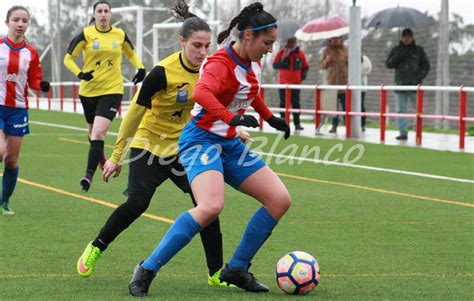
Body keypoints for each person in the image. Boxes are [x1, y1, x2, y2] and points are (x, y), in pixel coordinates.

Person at [127, 2, 291, 297]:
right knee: (211, 207)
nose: (270, 49)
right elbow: (201, 92)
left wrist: (270, 118)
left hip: (228, 143)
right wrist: (231, 118)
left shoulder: (253, 59)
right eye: (267, 43)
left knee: (279, 200)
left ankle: (236, 268)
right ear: (249, 35)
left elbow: (248, 91)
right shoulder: (219, 62)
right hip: (199, 141)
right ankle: (147, 268)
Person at [76, 0, 233, 287]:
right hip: (149, 146)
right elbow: (133, 115)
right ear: (182, 41)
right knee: (137, 203)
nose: (203, 52)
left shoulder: (209, 69)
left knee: (207, 205)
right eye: (197, 45)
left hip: (185, 148)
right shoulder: (162, 72)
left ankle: (215, 274)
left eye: (207, 45)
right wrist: (116, 156)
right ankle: (97, 246)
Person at [64, 1, 146, 192]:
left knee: (98, 133)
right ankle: (101, 159)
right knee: (92, 135)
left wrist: (140, 68)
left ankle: (88, 176)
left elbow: (131, 53)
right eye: (99, 11)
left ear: (110, 15)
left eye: (106, 11)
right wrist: (80, 74)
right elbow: (68, 58)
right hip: (88, 91)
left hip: (112, 90)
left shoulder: (120, 34)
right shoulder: (86, 34)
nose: (103, 14)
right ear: (94, 15)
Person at [0, 6, 50, 215]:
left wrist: (42, 85)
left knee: (11, 160)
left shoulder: (31, 52)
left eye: (24, 21)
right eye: (16, 20)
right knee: (0, 151)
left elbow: (34, 78)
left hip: (18, 110)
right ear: (7, 22)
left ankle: (4, 202)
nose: (20, 24)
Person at [385, 28, 430, 140]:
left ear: (412, 37)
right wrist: (398, 55)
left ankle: (417, 129)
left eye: (409, 36)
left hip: (415, 85)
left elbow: (426, 66)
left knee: (418, 109)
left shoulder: (419, 50)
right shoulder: (396, 50)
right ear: (401, 37)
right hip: (401, 84)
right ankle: (403, 132)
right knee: (401, 110)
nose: (407, 39)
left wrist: (418, 77)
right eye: (405, 36)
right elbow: (389, 64)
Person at [272, 37, 309, 130]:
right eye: (289, 42)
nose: (290, 44)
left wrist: (301, 77)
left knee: (296, 103)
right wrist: (284, 57)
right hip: (283, 83)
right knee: (283, 104)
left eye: (292, 42)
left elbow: (305, 66)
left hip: (295, 83)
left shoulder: (300, 54)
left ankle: (297, 124)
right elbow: (275, 65)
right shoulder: (281, 53)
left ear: (295, 43)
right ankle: (282, 124)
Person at [319, 36, 348, 133]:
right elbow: (321, 65)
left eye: (338, 38)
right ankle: (334, 125)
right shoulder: (327, 51)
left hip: (344, 82)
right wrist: (326, 60)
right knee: (333, 107)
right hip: (332, 82)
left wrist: (347, 60)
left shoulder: (345, 50)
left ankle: (347, 125)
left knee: (345, 106)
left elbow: (352, 64)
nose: (336, 40)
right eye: (333, 39)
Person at [361, 54, 372, 131]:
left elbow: (367, 69)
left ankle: (362, 124)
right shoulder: (347, 57)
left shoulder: (365, 59)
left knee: (360, 105)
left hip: (361, 86)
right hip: (348, 86)